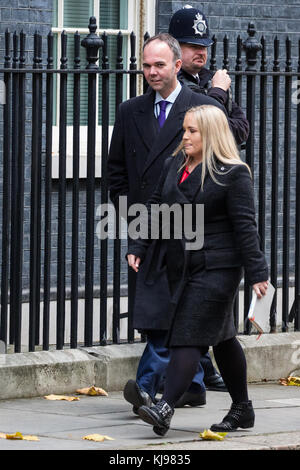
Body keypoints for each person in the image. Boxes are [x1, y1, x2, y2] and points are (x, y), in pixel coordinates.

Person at [127, 104, 269, 436]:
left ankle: (165, 407)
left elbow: (246, 227)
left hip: (218, 269)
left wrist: (258, 273)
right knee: (223, 339)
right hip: (184, 267)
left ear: (211, 134)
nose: (185, 136)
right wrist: (139, 245)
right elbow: (155, 207)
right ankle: (242, 409)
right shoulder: (174, 164)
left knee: (187, 334)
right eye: (185, 129)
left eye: (193, 131)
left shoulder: (234, 173)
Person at [107, 33, 227, 414]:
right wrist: (134, 221)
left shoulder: (201, 106)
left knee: (174, 314)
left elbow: (221, 163)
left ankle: (149, 387)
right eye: (146, 65)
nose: (151, 72)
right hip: (148, 228)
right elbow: (117, 173)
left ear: (178, 65)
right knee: (158, 313)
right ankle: (190, 385)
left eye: (159, 65)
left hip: (191, 232)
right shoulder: (130, 111)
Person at [168, 5, 249, 146]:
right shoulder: (170, 83)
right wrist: (218, 92)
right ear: (175, 48)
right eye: (194, 46)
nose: (201, 52)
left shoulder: (211, 79)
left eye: (204, 47)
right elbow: (202, 126)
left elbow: (242, 129)